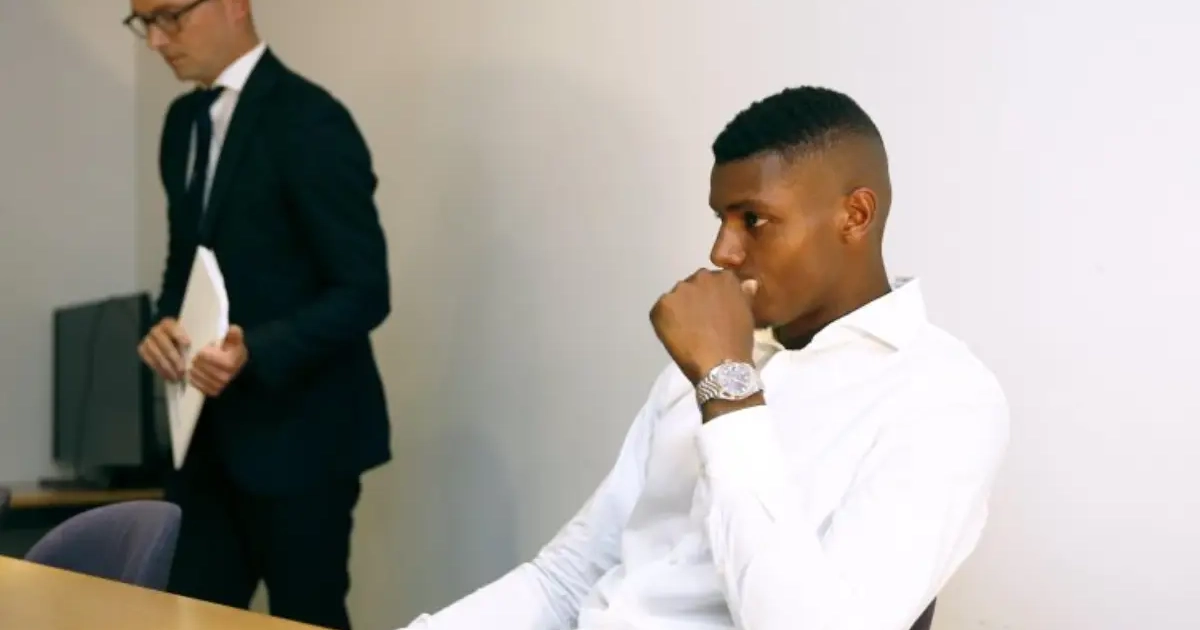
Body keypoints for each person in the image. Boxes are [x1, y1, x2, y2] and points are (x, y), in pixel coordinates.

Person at [396, 86, 1010, 630]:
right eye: (721, 219)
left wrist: (727, 387)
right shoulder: (711, 361)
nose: (722, 251)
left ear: (855, 216)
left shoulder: (943, 399)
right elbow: (567, 578)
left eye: (754, 220)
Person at [129, 1, 390, 628]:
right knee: (183, 618)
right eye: (143, 23)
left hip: (304, 440)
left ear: (234, 5)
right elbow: (186, 264)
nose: (157, 41)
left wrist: (257, 349)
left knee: (304, 617)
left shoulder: (311, 118)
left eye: (169, 16)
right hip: (205, 443)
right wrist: (165, 326)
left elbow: (364, 290)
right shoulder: (181, 123)